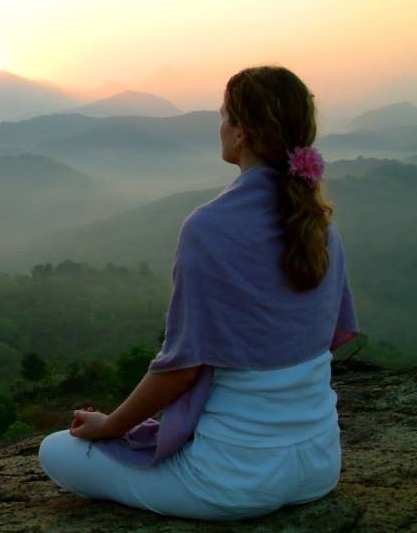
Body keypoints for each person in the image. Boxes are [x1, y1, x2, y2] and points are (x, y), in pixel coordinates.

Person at [38, 66, 359, 521]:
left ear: (242, 133)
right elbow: (323, 338)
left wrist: (111, 426)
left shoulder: (209, 228)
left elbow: (181, 369)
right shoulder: (322, 229)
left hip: (232, 481)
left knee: (55, 450)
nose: (220, 126)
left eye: (224, 116)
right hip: (319, 467)